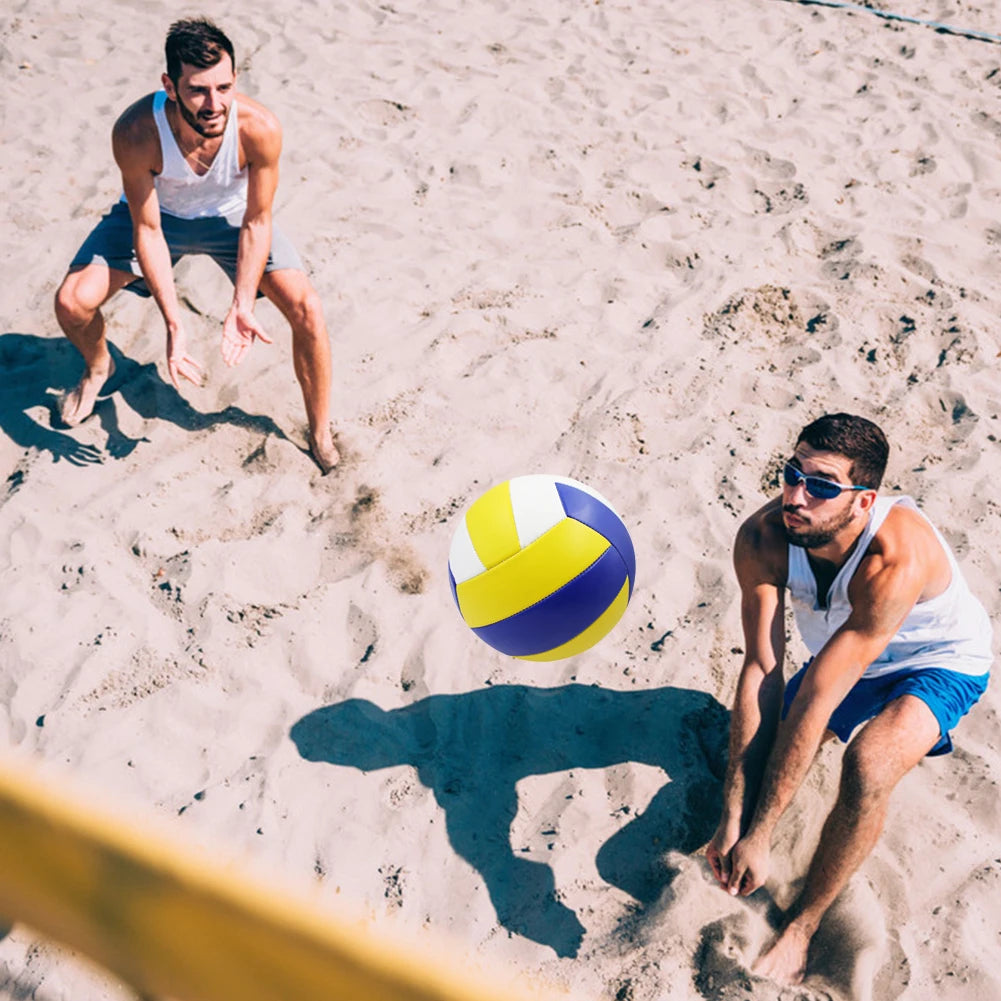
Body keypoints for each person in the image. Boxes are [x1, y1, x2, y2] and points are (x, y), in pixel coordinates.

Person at [706, 413, 992, 984]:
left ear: (863, 501)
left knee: (866, 766)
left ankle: (803, 926)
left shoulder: (893, 555)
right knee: (764, 761)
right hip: (847, 652)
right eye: (793, 473)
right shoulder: (762, 537)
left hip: (937, 661)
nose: (796, 495)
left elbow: (817, 697)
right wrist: (733, 819)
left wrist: (761, 837)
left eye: (822, 485)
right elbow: (763, 664)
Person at [54, 18, 339, 473]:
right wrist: (173, 323)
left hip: (231, 220)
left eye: (224, 87)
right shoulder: (135, 131)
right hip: (158, 218)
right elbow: (147, 230)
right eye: (198, 90)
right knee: (71, 303)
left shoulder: (259, 128)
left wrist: (242, 302)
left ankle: (320, 430)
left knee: (307, 309)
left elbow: (257, 219)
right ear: (170, 85)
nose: (214, 103)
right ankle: (98, 366)